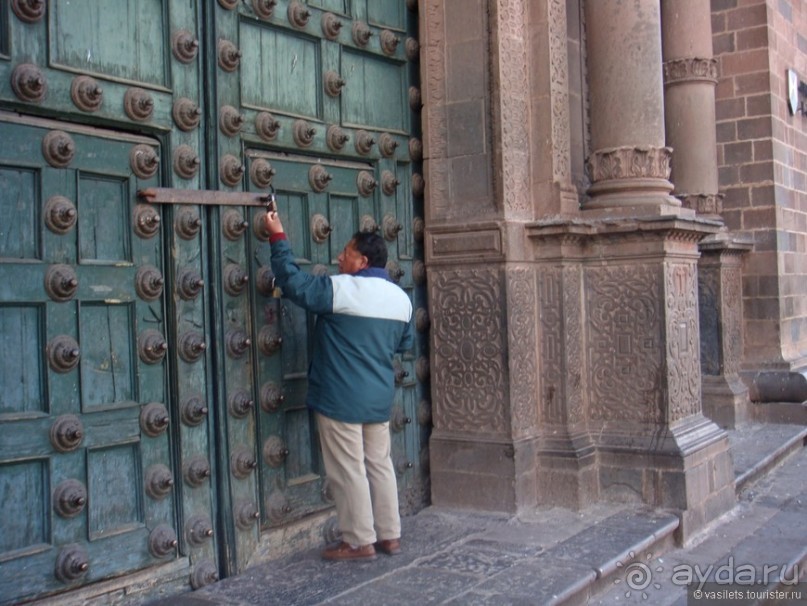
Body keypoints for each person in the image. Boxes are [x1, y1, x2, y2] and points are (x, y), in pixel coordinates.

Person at [264, 208, 414, 561]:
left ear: (362, 261)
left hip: (341, 398)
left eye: (345, 253)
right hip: (377, 398)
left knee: (349, 469)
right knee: (379, 464)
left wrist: (278, 236)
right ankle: (390, 535)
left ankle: (359, 541)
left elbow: (293, 283)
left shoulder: (342, 288)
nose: (338, 257)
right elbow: (403, 346)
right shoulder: (402, 299)